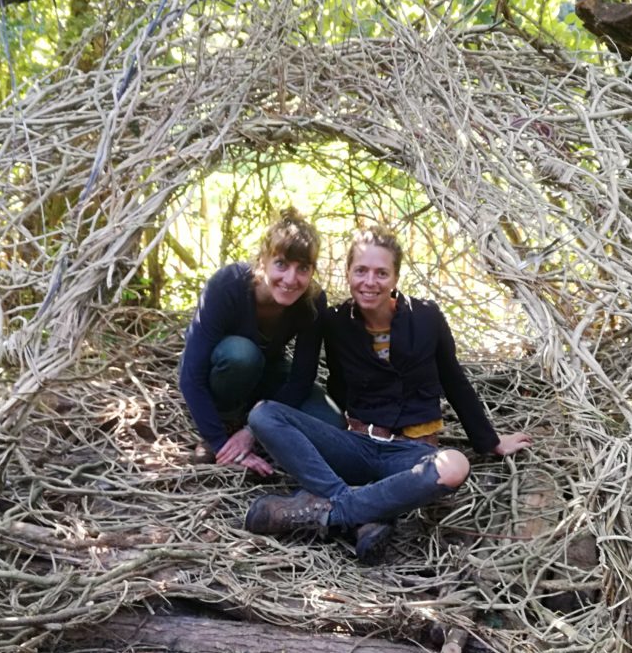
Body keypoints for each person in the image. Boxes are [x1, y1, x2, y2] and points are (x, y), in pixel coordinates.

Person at [245, 225, 532, 562]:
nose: (370, 282)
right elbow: (301, 381)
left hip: (410, 453)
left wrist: (490, 441)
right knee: (264, 413)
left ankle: (330, 510)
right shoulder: (332, 320)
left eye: (381, 273)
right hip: (356, 444)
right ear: (348, 273)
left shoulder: (426, 317)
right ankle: (360, 513)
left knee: (455, 465)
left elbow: (454, 380)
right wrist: (248, 433)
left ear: (395, 277)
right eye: (361, 271)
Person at [179, 208, 342, 476]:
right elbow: (190, 375)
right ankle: (224, 422)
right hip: (225, 371)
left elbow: (301, 378)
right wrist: (220, 442)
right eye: (281, 264)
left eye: (303, 268)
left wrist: (253, 430)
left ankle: (253, 420)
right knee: (242, 354)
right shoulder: (227, 285)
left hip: (267, 374)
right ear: (262, 261)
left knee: (331, 423)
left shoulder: (312, 301)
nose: (291, 279)